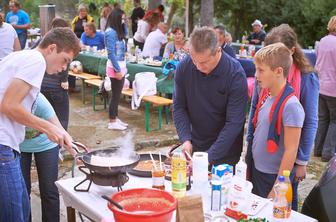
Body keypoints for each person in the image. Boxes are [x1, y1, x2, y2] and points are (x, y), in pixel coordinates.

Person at [0, 27, 80, 222]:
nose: (64, 68)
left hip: (8, 145)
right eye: (65, 61)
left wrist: (63, 133)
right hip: (3, 144)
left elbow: (37, 100)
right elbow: (8, 105)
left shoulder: (21, 56)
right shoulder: (36, 61)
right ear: (52, 48)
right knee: (14, 216)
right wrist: (48, 128)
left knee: (22, 206)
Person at [246, 24, 319, 210]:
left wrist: (301, 161)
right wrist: (249, 150)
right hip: (260, 163)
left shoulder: (304, 81)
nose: (257, 74)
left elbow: (309, 121)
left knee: (281, 208)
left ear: (291, 52)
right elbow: (255, 111)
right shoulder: (265, 83)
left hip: (280, 166)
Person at [173, 27, 247, 166]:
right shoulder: (184, 67)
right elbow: (179, 107)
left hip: (226, 152)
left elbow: (234, 123)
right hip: (196, 146)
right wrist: (185, 140)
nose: (198, 66)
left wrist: (210, 156)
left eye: (204, 62)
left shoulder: (235, 75)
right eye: (195, 60)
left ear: (218, 50)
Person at [248, 43, 305, 198]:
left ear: (278, 71)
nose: (256, 75)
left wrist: (278, 187)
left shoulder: (291, 105)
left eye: (261, 70)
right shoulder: (267, 95)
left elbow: (291, 150)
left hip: (272, 177)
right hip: (258, 170)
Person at [20, 93, 62, 222]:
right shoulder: (7, 100)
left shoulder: (39, 101)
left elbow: (59, 129)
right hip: (18, 146)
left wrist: (70, 146)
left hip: (46, 144)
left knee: (49, 190)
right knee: (21, 192)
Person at [39, 18, 71, 131]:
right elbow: (65, 62)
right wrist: (64, 79)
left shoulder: (44, 40)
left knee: (46, 116)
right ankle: (61, 142)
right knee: (61, 116)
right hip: (57, 86)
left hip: (42, 85)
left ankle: (49, 140)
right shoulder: (65, 43)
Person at [314, 16, 336, 162]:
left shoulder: (322, 41)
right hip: (333, 87)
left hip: (320, 85)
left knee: (323, 119)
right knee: (334, 121)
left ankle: (318, 149)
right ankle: (328, 153)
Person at [105, 9, 129, 130]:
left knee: (117, 94)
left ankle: (115, 118)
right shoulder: (110, 32)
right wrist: (117, 70)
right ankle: (112, 121)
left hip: (121, 65)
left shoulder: (118, 31)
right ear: (116, 19)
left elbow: (127, 35)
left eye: (124, 19)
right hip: (115, 67)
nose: (123, 21)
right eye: (122, 19)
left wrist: (124, 25)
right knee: (115, 95)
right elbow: (110, 53)